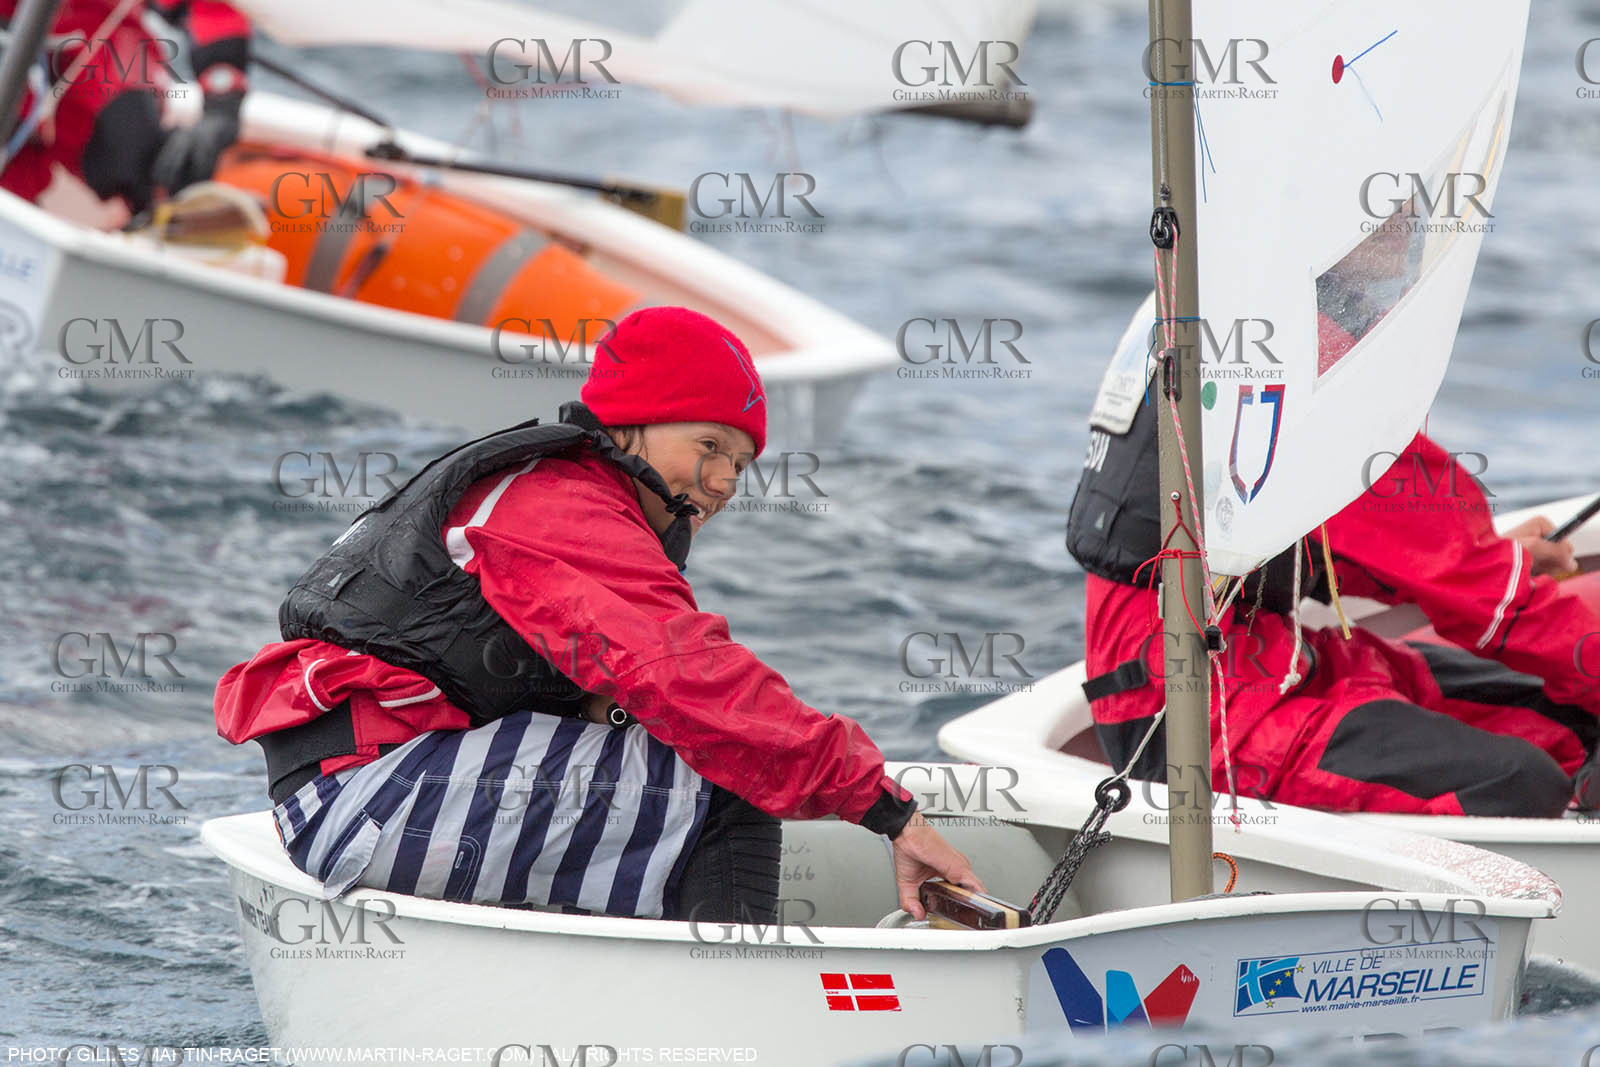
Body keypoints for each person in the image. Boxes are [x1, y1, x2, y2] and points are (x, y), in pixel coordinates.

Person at [214, 306, 983, 922]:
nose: (722, 481)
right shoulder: (561, 508)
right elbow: (695, 682)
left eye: (742, 463)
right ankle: (744, 1010)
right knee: (727, 780)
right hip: (370, 800)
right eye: (709, 444)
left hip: (369, 790)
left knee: (665, 751)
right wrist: (888, 812)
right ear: (634, 422)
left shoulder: (562, 495)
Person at [1065, 295, 1600, 817]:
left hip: (1259, 661)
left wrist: (1495, 563)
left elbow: (1331, 541)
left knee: (1569, 723)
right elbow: (1496, 604)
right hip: (1197, 723)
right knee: (1523, 783)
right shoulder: (1303, 358)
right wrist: (1493, 574)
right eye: (1399, 210)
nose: (1407, 222)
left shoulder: (1226, 300)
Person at [0, 0, 250, 215]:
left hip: (94, 46)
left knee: (127, 143)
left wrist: (222, 103)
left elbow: (212, 11)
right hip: (16, 42)